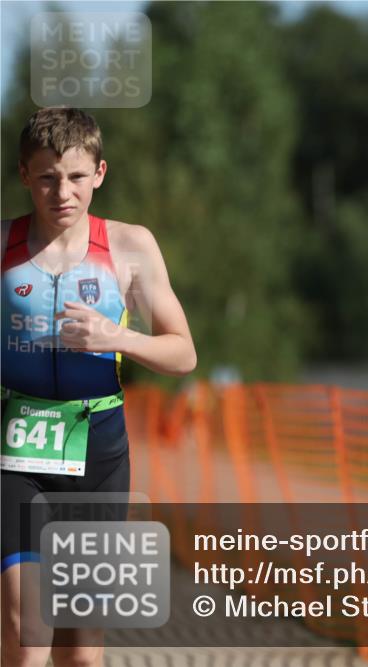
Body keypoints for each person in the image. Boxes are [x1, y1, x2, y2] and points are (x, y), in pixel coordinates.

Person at [1, 108, 197, 667]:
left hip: (98, 451)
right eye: (46, 177)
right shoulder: (3, 246)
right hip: (15, 451)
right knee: (26, 625)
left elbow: (183, 351)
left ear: (100, 173)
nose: (62, 191)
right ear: (23, 175)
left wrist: (117, 336)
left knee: (82, 648)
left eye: (76, 176)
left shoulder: (130, 246)